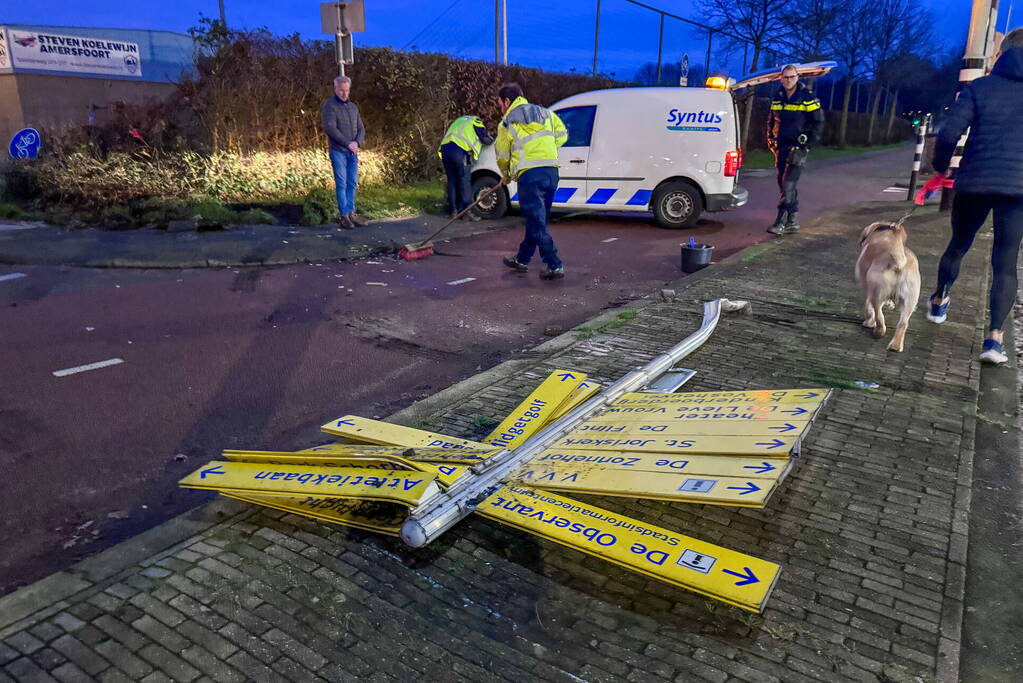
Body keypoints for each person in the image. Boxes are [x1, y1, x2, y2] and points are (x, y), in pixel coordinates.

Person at [928, 27, 1023, 365]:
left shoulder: (979, 88)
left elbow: (948, 131)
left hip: (975, 182)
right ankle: (994, 341)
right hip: (1018, 191)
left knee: (959, 244)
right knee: (1005, 263)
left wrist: (941, 167)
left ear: (1001, 55)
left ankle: (939, 301)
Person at [495, 83, 568, 280]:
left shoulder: (507, 122)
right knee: (537, 220)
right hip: (551, 172)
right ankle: (522, 259)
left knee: (537, 222)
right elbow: (563, 135)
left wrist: (506, 175)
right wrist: (547, 150)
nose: (500, 107)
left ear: (507, 101)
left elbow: (502, 155)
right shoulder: (546, 113)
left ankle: (554, 264)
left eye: (500, 103)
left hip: (530, 175)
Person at [766, 65, 825, 235]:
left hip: (798, 147)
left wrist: (807, 144)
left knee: (788, 183)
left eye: (791, 77)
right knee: (783, 183)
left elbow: (818, 122)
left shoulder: (807, 97)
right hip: (780, 146)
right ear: (780, 78)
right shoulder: (777, 97)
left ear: (797, 77)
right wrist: (770, 139)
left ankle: (781, 222)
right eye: (785, 77)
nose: (788, 80)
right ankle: (793, 220)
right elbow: (771, 120)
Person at [321, 75, 367, 229]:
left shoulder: (353, 107)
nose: (344, 93)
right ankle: (344, 216)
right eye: (341, 90)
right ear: (335, 89)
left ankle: (351, 212)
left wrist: (356, 142)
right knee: (341, 183)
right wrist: (347, 143)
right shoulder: (330, 106)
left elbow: (361, 128)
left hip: (353, 151)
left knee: (352, 183)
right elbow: (330, 128)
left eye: (346, 90)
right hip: (339, 151)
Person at [439, 115, 493, 220]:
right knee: (464, 181)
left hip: (445, 150)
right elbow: (485, 139)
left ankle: (454, 211)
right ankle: (466, 212)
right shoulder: (476, 122)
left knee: (452, 181)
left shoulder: (460, 120)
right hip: (459, 151)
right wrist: (492, 140)